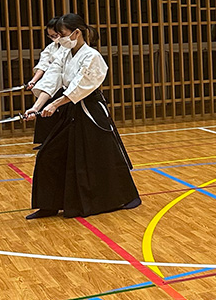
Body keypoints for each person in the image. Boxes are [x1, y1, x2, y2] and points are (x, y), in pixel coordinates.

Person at [23, 13, 140, 218]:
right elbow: (52, 79)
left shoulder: (92, 56)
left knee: (98, 157)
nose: (60, 39)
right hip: (70, 109)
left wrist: (56, 104)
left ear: (76, 33)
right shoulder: (64, 54)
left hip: (90, 111)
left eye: (63, 34)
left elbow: (80, 86)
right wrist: (36, 107)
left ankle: (120, 197)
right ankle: (49, 204)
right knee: (47, 154)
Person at [26, 17, 66, 145]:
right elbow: (44, 65)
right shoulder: (51, 48)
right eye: (51, 36)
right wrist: (33, 81)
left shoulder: (72, 50)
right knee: (45, 110)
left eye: (56, 35)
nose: (54, 39)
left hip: (69, 90)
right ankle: (46, 142)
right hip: (53, 87)